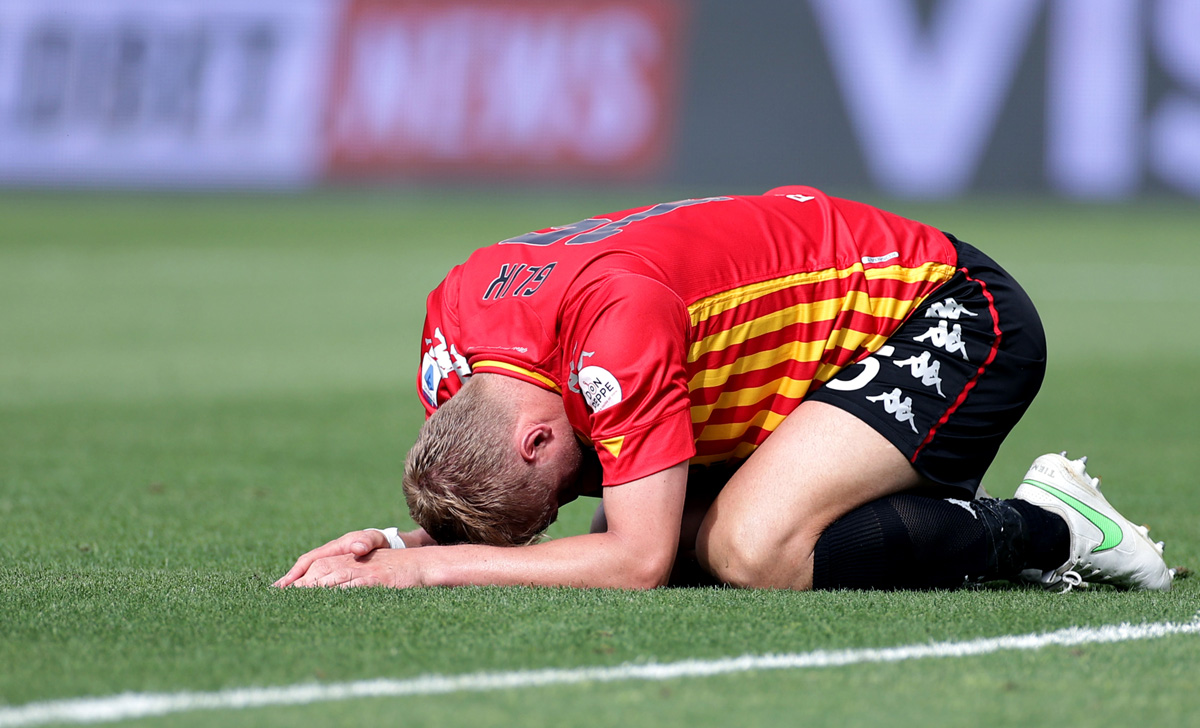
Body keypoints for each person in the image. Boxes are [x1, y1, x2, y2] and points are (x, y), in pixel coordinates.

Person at [275, 186, 1173, 592]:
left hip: (946, 309)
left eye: (545, 497)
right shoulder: (453, 345)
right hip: (792, 359)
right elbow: (562, 517)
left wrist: (426, 568)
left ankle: (1052, 526)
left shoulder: (613, 331)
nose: (555, 508)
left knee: (750, 550)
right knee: (671, 535)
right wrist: (394, 540)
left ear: (537, 440)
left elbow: (634, 563)